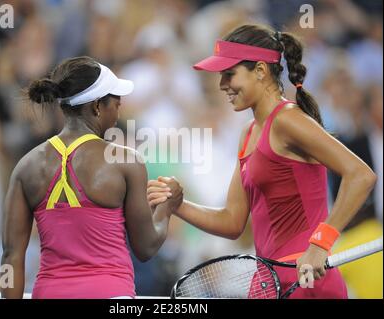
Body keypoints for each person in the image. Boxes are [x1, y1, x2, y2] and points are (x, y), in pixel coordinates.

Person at [147, 24, 377, 299]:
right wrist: (178, 205)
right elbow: (232, 222)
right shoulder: (248, 133)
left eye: (229, 74)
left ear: (260, 70)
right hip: (269, 281)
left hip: (306, 279)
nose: (222, 85)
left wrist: (320, 244)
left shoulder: (288, 120)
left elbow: (361, 175)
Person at [0, 56, 183, 299]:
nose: (119, 106)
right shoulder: (125, 161)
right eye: (115, 99)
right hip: (110, 294)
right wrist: (166, 208)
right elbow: (146, 247)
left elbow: (10, 258)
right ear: (97, 106)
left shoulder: (26, 166)